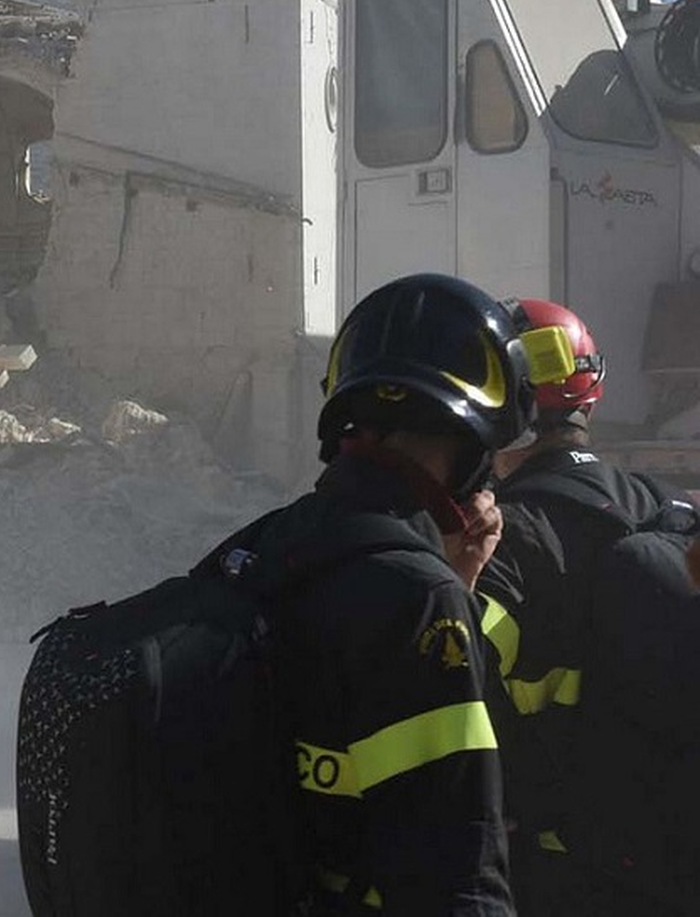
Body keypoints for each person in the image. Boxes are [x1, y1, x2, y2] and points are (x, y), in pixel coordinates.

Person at [256, 271, 528, 915]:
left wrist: (455, 579)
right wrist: (444, 589)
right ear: (468, 447)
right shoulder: (417, 597)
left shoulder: (267, 546)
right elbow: (457, 873)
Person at [474, 298, 690, 916]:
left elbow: (453, 692)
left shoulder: (501, 543)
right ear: (590, 394)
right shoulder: (669, 509)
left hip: (562, 872)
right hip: (673, 855)